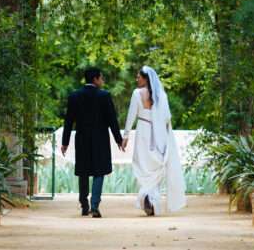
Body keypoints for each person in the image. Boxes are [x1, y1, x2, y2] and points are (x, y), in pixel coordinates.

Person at [121, 65, 187, 216]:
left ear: (146, 79)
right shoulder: (161, 96)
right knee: (156, 165)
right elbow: (167, 118)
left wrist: (126, 136)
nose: (136, 79)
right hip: (159, 134)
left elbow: (131, 115)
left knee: (143, 164)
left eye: (139, 77)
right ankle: (151, 199)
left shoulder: (137, 94)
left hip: (143, 132)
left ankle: (147, 195)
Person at [61, 66, 124, 218]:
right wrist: (119, 140)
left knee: (83, 171)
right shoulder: (104, 96)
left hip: (82, 139)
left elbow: (68, 121)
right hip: (100, 140)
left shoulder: (75, 96)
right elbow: (112, 120)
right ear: (95, 79)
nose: (102, 81)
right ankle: (95, 205)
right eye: (101, 78)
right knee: (99, 171)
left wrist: (65, 142)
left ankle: (84, 205)